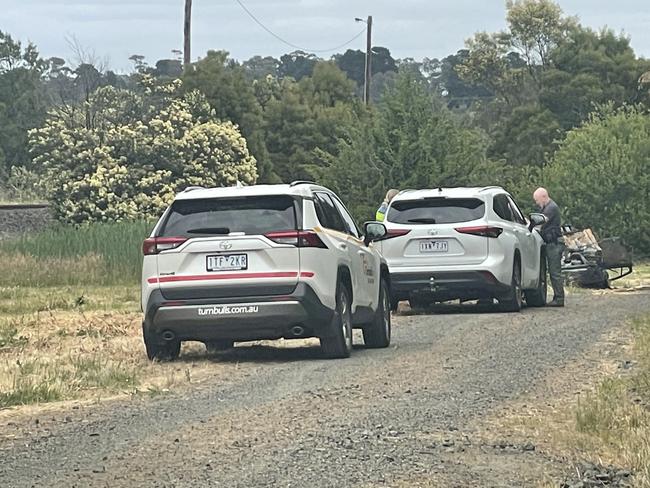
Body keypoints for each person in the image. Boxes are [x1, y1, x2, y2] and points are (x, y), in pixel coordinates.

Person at [533, 187, 565, 307]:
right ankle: (558, 297)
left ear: (543, 197)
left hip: (554, 244)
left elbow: (541, 222)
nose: (537, 203)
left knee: (555, 272)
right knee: (553, 272)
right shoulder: (548, 207)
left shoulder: (551, 208)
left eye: (537, 200)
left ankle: (559, 298)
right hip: (552, 243)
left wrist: (530, 223)